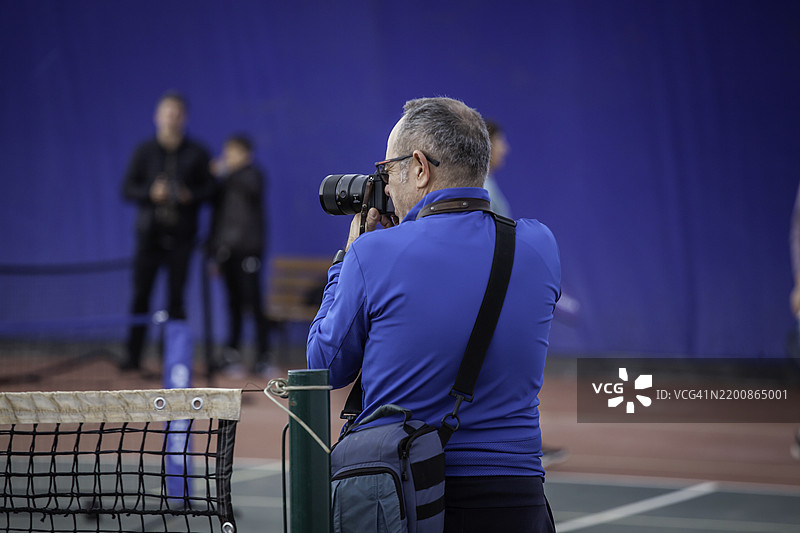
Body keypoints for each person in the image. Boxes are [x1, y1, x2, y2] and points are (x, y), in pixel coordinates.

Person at [308, 97, 560, 532]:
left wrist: (344, 263)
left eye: (387, 172)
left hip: (404, 496)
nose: (384, 189)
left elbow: (322, 368)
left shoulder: (372, 254)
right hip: (516, 496)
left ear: (420, 168)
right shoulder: (540, 246)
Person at [121, 91, 215, 371]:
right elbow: (127, 188)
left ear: (183, 118)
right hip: (148, 237)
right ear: (157, 116)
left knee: (176, 299)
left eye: (177, 113)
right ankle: (132, 357)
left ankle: (172, 360)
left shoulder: (197, 152)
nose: (172, 118)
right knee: (141, 296)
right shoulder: (144, 151)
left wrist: (190, 195)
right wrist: (151, 192)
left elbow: (211, 189)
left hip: (182, 239)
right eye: (167, 113)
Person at [207, 134, 273, 377]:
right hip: (227, 253)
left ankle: (263, 357)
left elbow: (251, 188)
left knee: (253, 305)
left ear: (246, 154)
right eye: (227, 153)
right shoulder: (222, 184)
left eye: (233, 153)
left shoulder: (253, 175)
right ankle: (231, 354)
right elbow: (217, 218)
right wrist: (213, 252)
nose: (228, 158)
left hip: (249, 251)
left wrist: (224, 172)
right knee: (233, 305)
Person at [483, 120, 512, 218]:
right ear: (488, 146)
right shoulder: (482, 188)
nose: (505, 149)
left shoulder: (488, 182)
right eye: (500, 142)